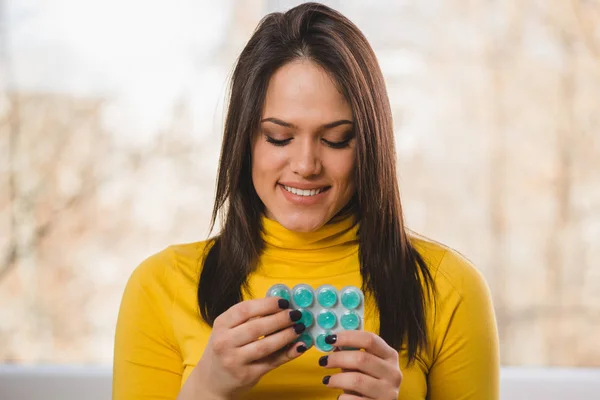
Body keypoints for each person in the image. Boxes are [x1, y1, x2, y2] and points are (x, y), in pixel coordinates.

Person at [112, 3, 499, 399]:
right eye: (279, 137)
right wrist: (206, 389)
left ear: (370, 144)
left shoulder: (449, 289)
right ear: (244, 141)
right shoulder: (160, 286)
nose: (305, 165)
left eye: (336, 139)